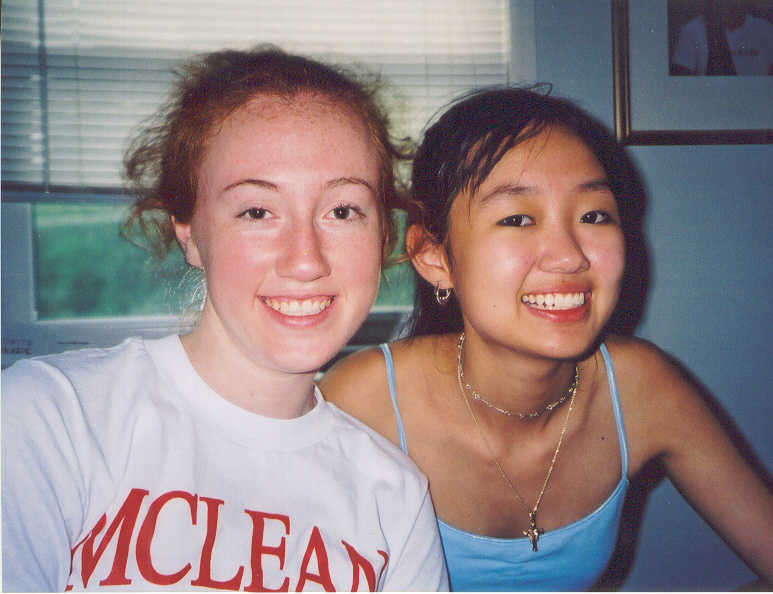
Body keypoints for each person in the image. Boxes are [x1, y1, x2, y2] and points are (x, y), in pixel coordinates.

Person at [1, 46, 448, 592]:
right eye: (257, 211)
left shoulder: (396, 499)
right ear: (189, 231)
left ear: (382, 234)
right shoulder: (53, 417)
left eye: (342, 210)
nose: (305, 260)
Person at [320, 86, 773, 590]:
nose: (569, 256)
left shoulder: (640, 387)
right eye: (517, 219)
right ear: (434, 257)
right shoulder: (364, 404)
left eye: (593, 216)